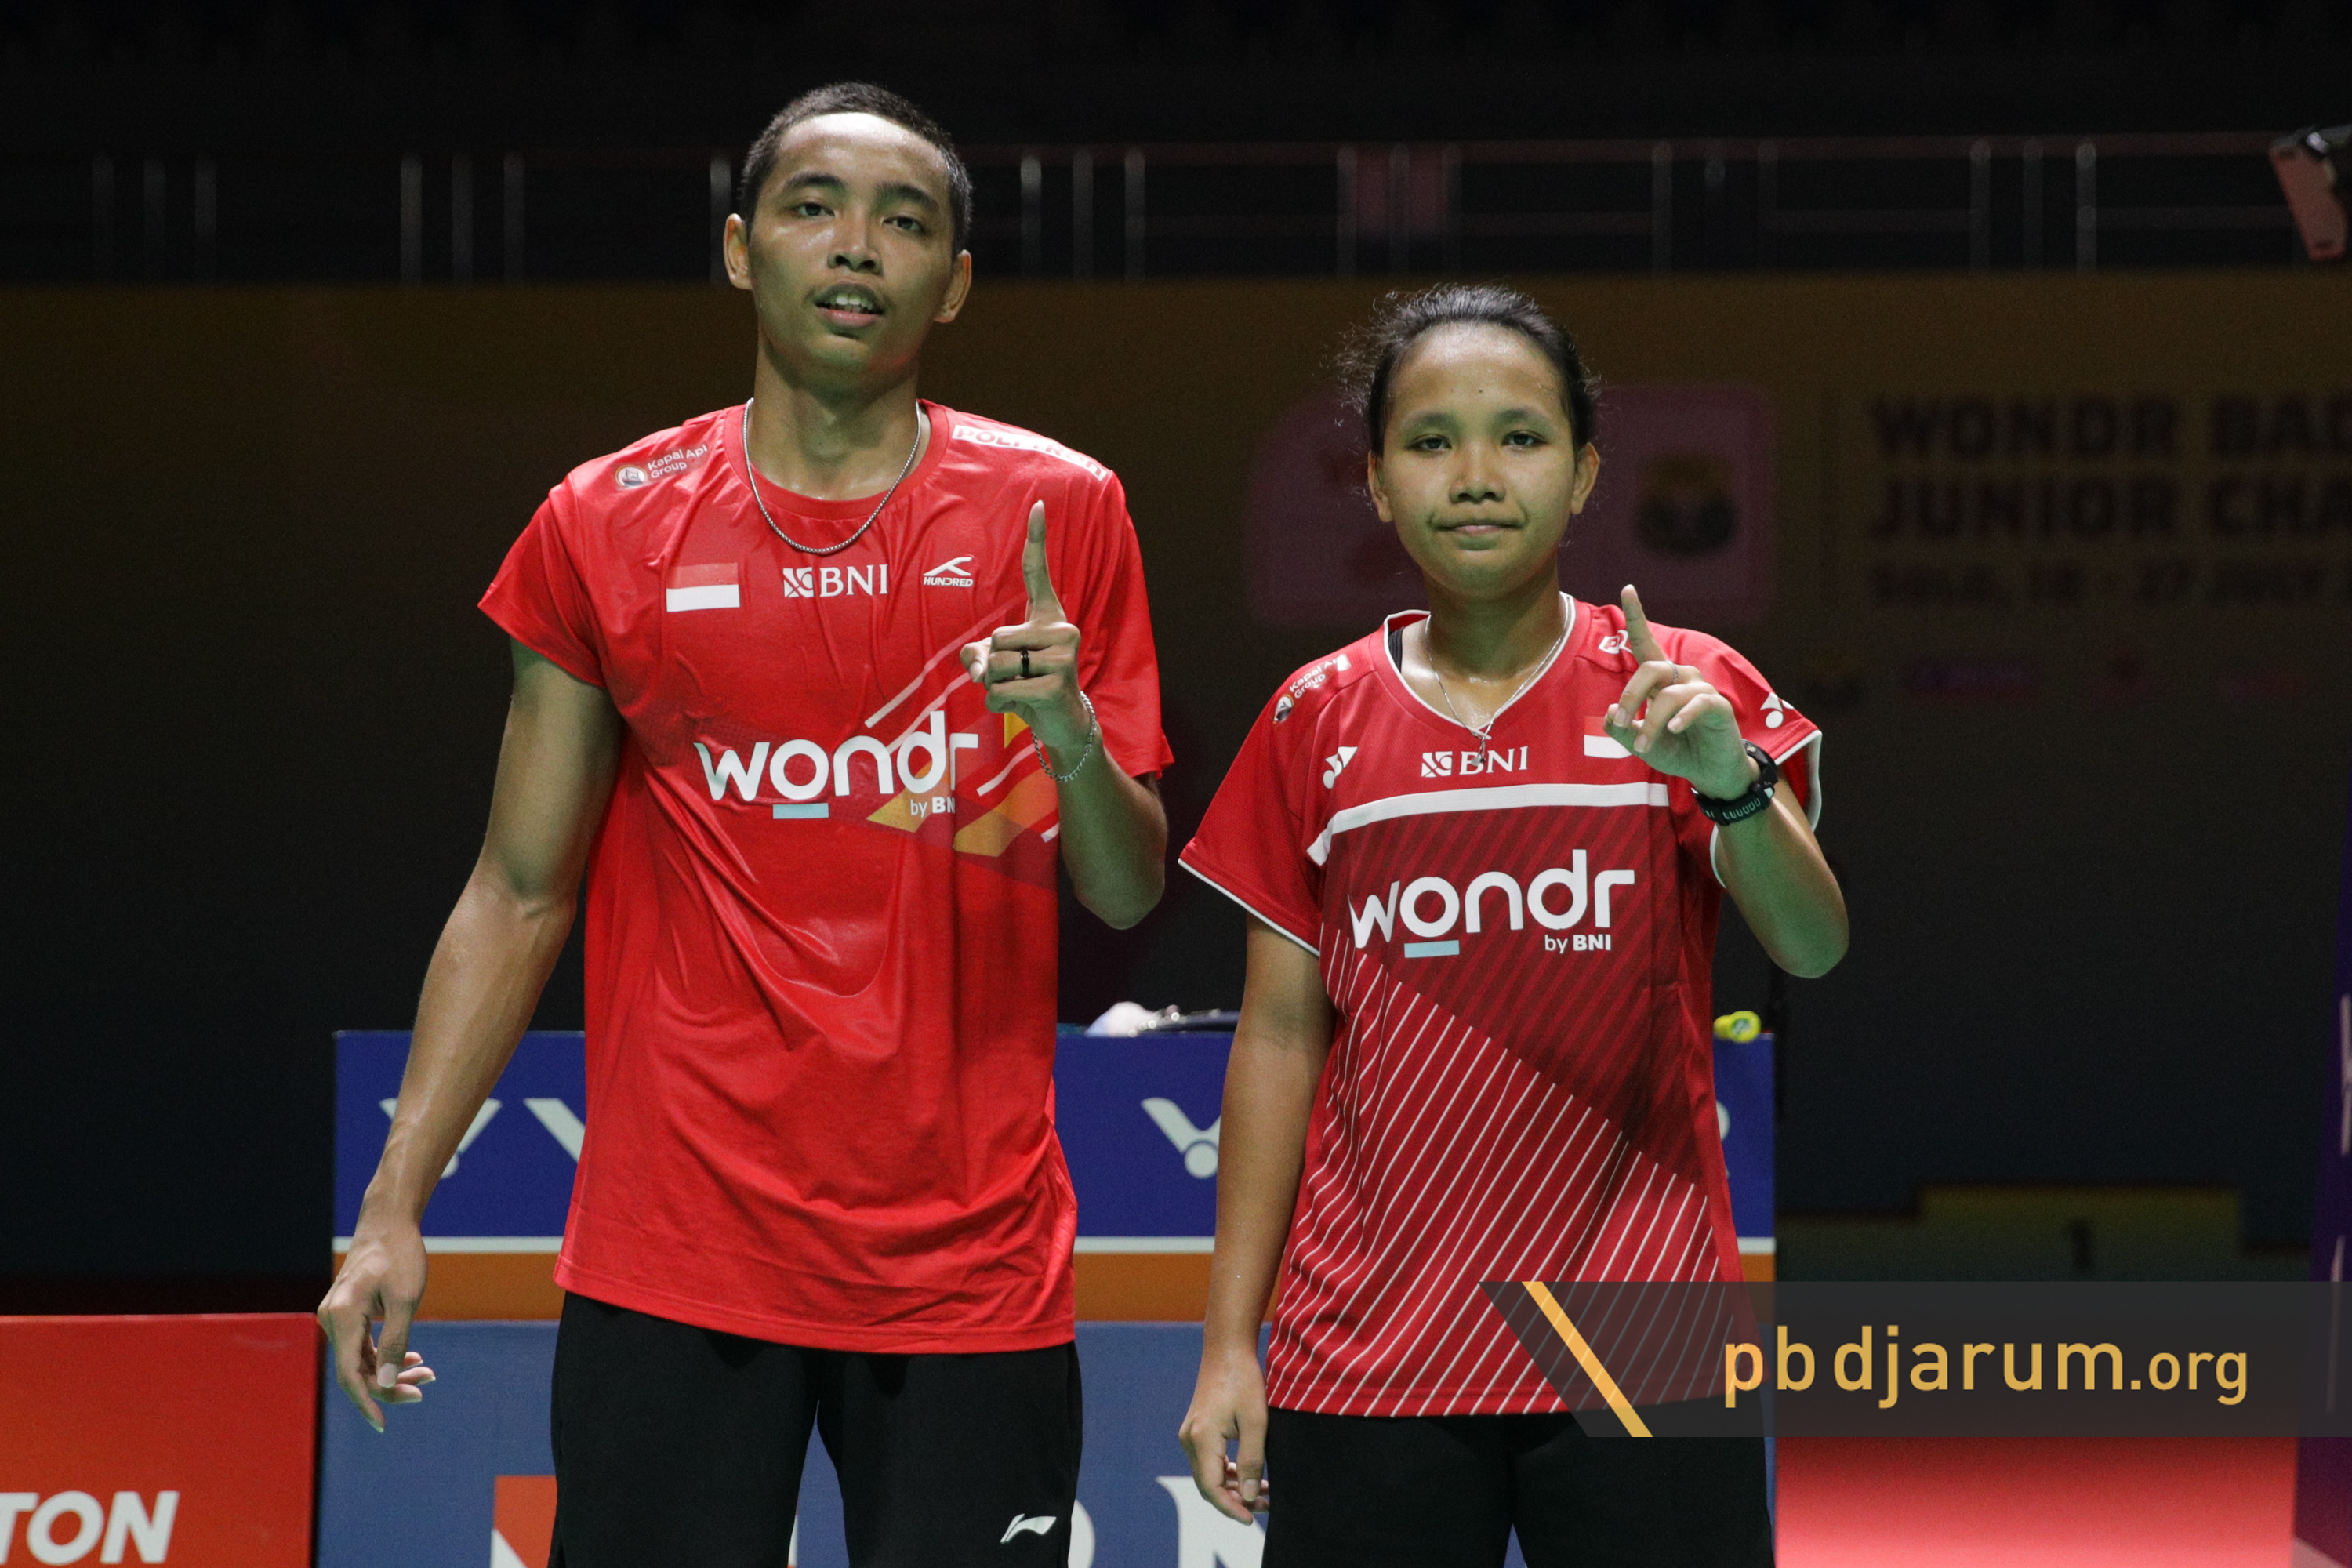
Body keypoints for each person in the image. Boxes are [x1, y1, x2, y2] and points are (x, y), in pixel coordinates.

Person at [317, 82, 1171, 1566]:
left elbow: (1125, 887)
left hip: (965, 1261)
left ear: (955, 283)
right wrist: (394, 1205)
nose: (858, 247)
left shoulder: (1057, 512)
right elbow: (518, 890)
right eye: (813, 209)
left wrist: (1072, 742)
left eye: (906, 223)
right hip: (678, 1250)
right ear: (738, 249)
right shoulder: (604, 522)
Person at [1174, 284, 1846, 1565]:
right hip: (1367, 1346)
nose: (1477, 476)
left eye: (1522, 438)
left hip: (1641, 1337)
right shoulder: (1314, 718)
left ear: (1585, 473)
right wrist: (1226, 1347)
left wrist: (1729, 781)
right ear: (1376, 482)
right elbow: (1279, 1040)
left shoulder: (1685, 692)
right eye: (1431, 442)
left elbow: (1813, 946)